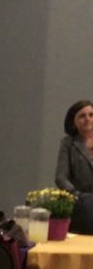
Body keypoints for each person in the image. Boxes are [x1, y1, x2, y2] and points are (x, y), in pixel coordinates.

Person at [55, 100, 93, 234]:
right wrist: (77, 195)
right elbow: (60, 177)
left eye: (91, 115)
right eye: (82, 116)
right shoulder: (68, 143)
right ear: (74, 122)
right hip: (82, 206)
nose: (87, 119)